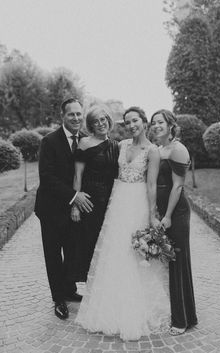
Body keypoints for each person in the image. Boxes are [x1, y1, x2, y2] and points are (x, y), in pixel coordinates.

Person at [75, 106, 170, 341]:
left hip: (137, 203)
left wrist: (151, 215)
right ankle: (108, 308)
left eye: (135, 120)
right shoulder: (122, 145)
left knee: (134, 255)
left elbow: (150, 185)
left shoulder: (152, 151)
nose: (131, 125)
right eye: (127, 122)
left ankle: (136, 311)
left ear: (144, 122)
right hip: (117, 204)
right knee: (114, 252)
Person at [35, 98, 93, 320]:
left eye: (79, 114)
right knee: (53, 255)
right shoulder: (50, 141)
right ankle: (58, 298)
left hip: (73, 210)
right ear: (63, 116)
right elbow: (47, 177)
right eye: (72, 115)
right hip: (50, 209)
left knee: (71, 251)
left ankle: (69, 290)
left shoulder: (86, 141)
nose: (77, 118)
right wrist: (74, 196)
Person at [150, 109, 198, 336]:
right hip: (164, 212)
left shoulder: (178, 149)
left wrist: (167, 215)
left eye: (160, 122)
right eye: (153, 122)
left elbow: (177, 185)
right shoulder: (159, 149)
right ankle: (186, 314)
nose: (156, 125)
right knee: (169, 262)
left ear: (171, 125)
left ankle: (182, 320)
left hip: (176, 213)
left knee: (177, 262)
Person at [70, 104, 119, 282]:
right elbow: (77, 175)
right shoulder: (85, 143)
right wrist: (75, 205)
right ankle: (88, 286)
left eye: (103, 119)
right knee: (88, 243)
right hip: (88, 202)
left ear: (108, 120)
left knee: (106, 245)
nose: (100, 124)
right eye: (95, 121)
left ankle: (104, 287)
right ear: (90, 125)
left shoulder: (116, 146)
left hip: (109, 202)